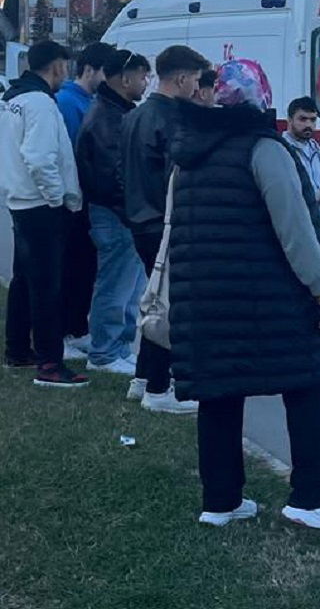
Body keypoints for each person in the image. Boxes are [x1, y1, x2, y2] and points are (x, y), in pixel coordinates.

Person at [168, 62, 320, 532]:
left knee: (220, 395)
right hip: (270, 298)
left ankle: (221, 501)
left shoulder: (189, 154)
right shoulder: (263, 149)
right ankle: (310, 499)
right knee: (309, 385)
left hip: (207, 300)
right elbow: (295, 229)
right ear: (261, 100)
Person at [121, 44, 210, 412]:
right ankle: (160, 389)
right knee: (170, 306)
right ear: (183, 78)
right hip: (165, 221)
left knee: (154, 298)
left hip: (139, 218)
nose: (197, 88)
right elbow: (177, 175)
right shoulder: (173, 118)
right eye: (196, 81)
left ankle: (142, 378)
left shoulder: (135, 115)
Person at [0, 40, 90, 387]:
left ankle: (18, 350)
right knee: (48, 288)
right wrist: (58, 199)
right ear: (57, 67)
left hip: (19, 200)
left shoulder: (13, 99)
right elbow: (39, 158)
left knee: (25, 281)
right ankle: (51, 365)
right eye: (65, 67)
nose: (65, 74)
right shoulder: (39, 102)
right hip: (41, 205)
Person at [75, 49, 151, 375]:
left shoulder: (117, 112)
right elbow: (111, 177)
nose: (146, 83)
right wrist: (133, 212)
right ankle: (104, 352)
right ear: (125, 77)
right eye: (143, 76)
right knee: (115, 286)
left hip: (126, 215)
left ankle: (119, 347)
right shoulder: (107, 117)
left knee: (131, 288)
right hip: (115, 215)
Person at [56, 41, 114, 361]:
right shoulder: (67, 102)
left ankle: (77, 328)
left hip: (89, 201)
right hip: (73, 200)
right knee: (71, 267)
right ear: (89, 69)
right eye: (107, 72)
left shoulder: (89, 100)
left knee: (85, 269)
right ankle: (63, 331)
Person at [281, 96, 320, 223]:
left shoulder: (314, 147)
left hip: (319, 221)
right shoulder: (282, 149)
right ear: (289, 120)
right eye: (302, 119)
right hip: (298, 225)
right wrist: (318, 196)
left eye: (313, 120)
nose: (308, 125)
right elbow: (285, 193)